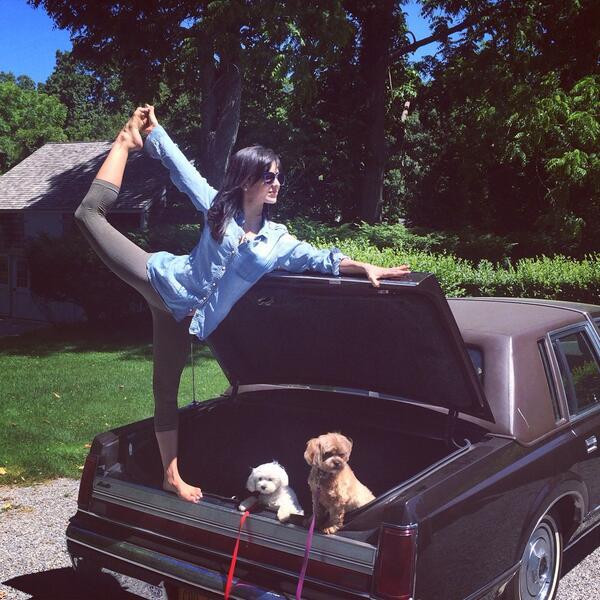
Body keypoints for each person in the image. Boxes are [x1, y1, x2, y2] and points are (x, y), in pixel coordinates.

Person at [75, 106, 411, 503]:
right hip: (159, 278)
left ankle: (171, 476)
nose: (277, 183)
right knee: (87, 215)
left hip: (181, 318)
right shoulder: (218, 207)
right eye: (269, 176)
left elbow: (319, 258)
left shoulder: (277, 240)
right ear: (247, 180)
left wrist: (364, 265)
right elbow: (182, 171)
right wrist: (154, 133)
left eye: (279, 176)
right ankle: (124, 140)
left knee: (165, 393)